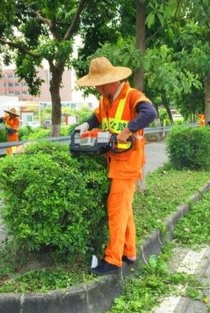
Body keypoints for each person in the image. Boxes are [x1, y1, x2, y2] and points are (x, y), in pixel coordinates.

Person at [75, 56, 157, 275]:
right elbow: (96, 117)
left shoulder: (132, 96)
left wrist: (127, 130)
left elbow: (150, 113)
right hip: (115, 161)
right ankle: (129, 252)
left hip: (128, 164)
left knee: (116, 210)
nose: (98, 89)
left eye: (100, 84)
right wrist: (85, 125)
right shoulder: (107, 99)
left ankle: (113, 260)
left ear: (111, 80)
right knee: (125, 210)